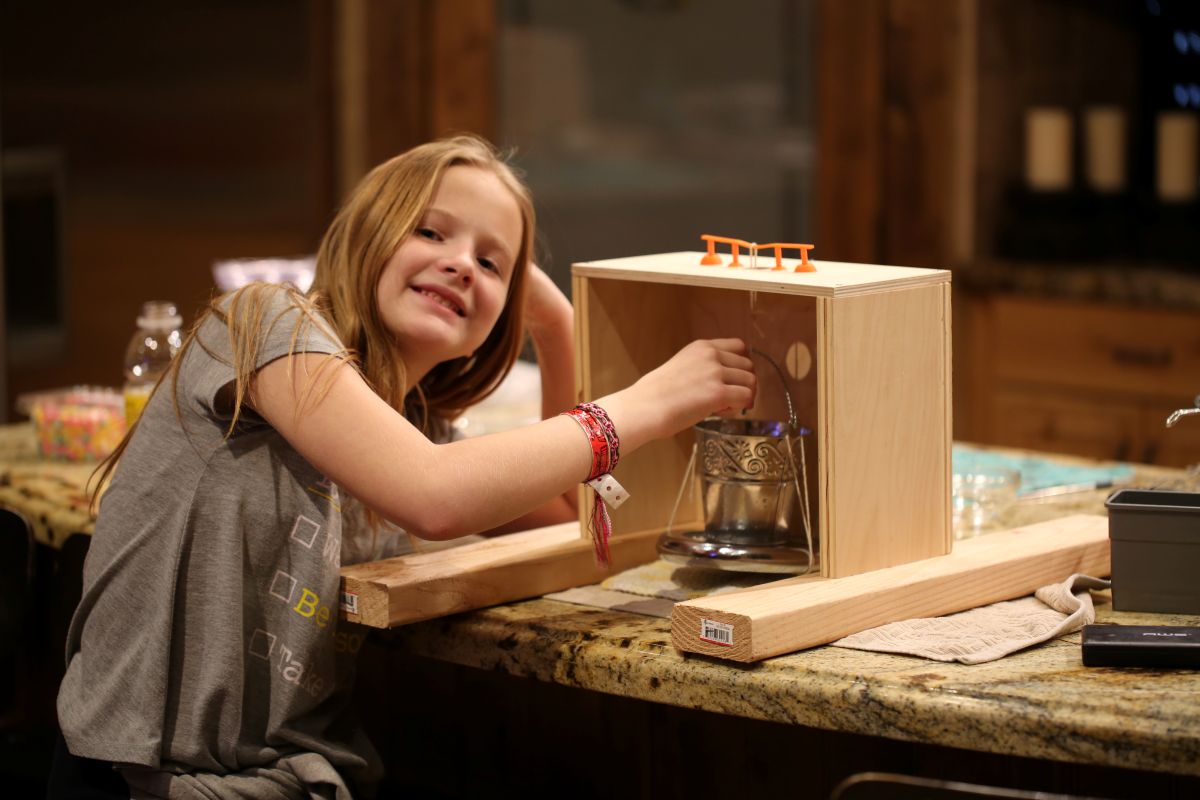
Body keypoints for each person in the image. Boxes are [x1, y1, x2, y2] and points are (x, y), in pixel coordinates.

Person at [48, 134, 756, 799]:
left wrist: (555, 323)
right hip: (141, 779)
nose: (459, 263)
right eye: (430, 232)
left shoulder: (415, 423)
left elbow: (573, 517)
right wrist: (646, 403)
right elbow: (433, 495)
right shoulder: (262, 324)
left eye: (492, 263)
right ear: (368, 235)